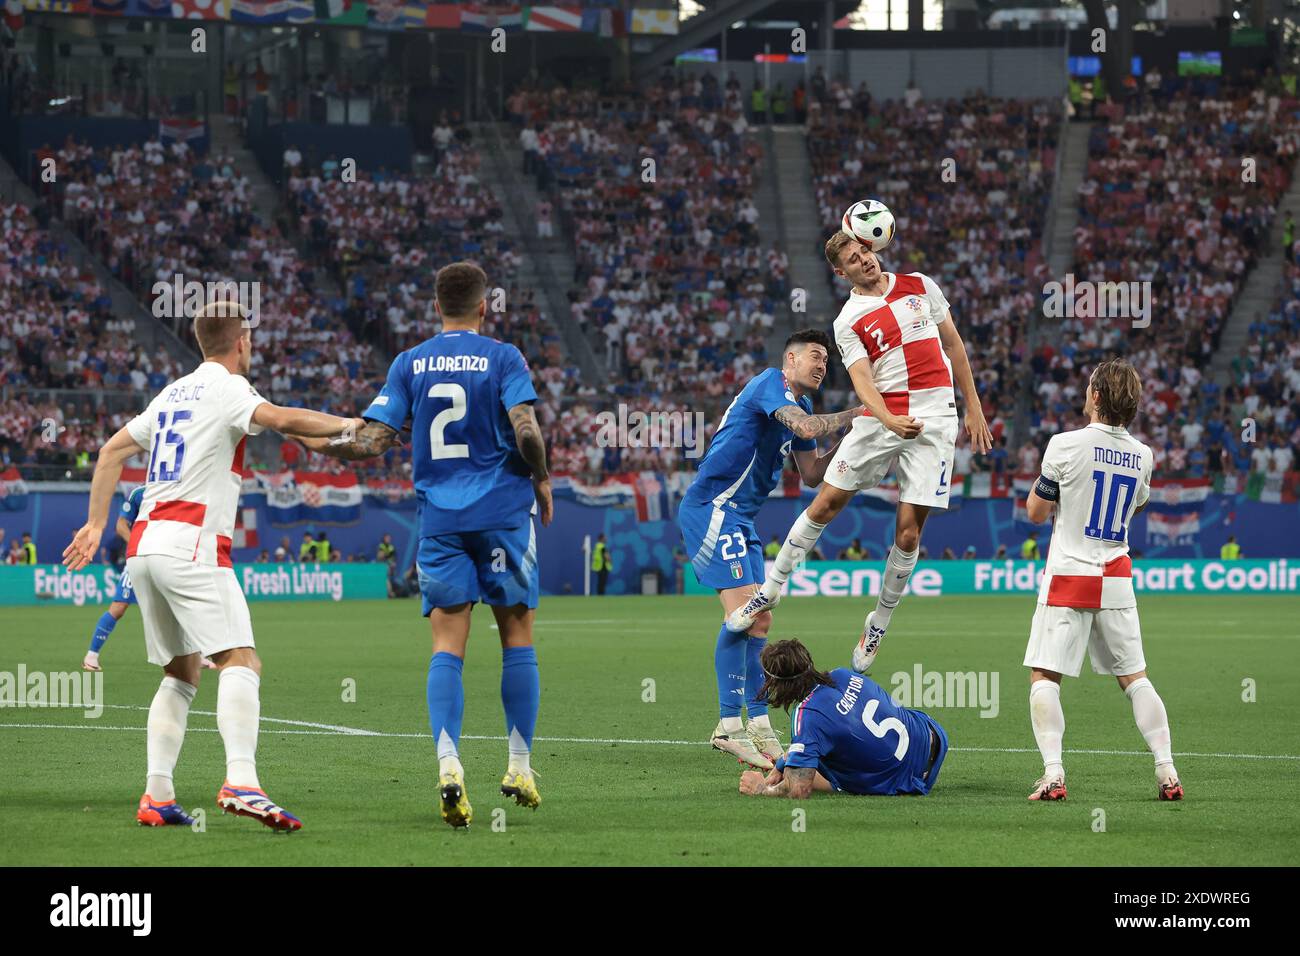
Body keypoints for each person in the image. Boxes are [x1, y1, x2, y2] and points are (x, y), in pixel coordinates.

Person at [62, 300, 357, 830]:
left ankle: (156, 795)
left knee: (182, 672)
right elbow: (285, 418)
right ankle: (242, 781)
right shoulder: (230, 389)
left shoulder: (172, 392)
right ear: (240, 341)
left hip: (146, 549)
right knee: (241, 660)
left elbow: (109, 453)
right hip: (192, 542)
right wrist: (353, 424)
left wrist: (95, 524)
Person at [298, 262, 552, 829]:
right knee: (516, 635)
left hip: (439, 522)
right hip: (504, 516)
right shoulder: (504, 357)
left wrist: (311, 441)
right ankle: (518, 765)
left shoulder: (409, 363)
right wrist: (541, 475)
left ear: (436, 306)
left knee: (446, 645)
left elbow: (370, 441)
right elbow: (527, 429)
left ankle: (448, 762)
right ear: (485, 306)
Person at [729, 233, 992, 677]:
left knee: (908, 535)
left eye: (866, 252)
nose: (865, 261)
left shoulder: (921, 285)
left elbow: (954, 346)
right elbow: (862, 380)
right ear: (841, 272)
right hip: (881, 416)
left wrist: (974, 407)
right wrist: (886, 418)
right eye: (854, 259)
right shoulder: (848, 319)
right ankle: (769, 590)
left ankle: (878, 624)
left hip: (936, 419)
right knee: (825, 502)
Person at [678, 329, 861, 769]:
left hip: (740, 518)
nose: (822, 365)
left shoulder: (804, 405)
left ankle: (757, 724)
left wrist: (857, 441)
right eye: (815, 357)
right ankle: (728, 724)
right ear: (790, 360)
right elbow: (801, 428)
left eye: (826, 360)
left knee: (760, 619)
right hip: (714, 508)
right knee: (743, 615)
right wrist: (859, 412)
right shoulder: (768, 384)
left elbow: (812, 472)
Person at [1022, 359, 1182, 802]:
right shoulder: (1143, 455)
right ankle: (1167, 770)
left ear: (1095, 396)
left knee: (1045, 676)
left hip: (1069, 575)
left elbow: (1035, 513)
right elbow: (1136, 505)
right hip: (1115, 575)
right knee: (1135, 678)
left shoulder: (1064, 444)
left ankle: (1054, 773)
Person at [737, 639, 948, 798]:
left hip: (908, 780)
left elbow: (800, 789)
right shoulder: (842, 675)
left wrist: (763, 789)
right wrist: (783, 762)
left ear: (776, 682)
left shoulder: (806, 716)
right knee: (819, 744)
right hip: (932, 738)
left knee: (814, 763)